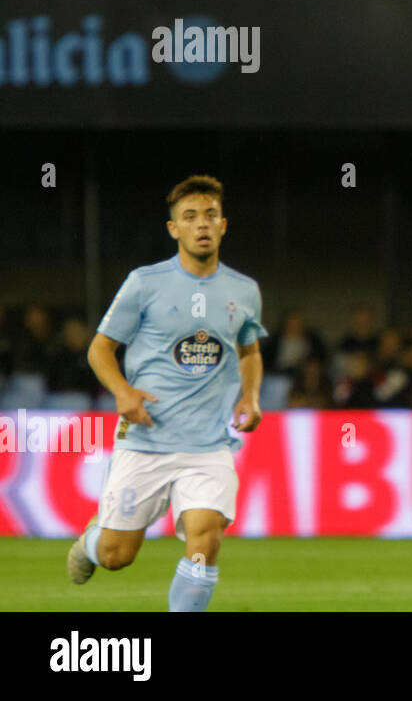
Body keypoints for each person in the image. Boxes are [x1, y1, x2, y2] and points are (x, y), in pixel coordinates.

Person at [68, 176, 267, 612]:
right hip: (146, 441)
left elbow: (249, 350)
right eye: (190, 217)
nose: (202, 225)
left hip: (208, 445)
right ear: (173, 228)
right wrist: (123, 392)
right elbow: (100, 348)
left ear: (224, 225)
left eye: (210, 216)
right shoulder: (144, 283)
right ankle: (93, 541)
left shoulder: (244, 290)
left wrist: (249, 396)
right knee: (118, 557)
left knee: (206, 538)